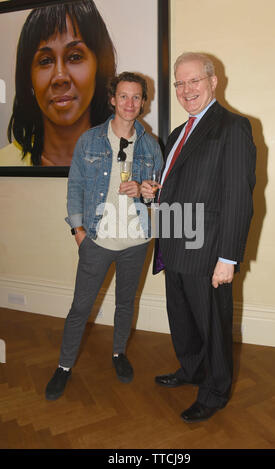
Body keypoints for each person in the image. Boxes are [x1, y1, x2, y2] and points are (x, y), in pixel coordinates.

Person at [141, 52, 256, 423]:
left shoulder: (233, 126)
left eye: (194, 81)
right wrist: (153, 191)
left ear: (213, 82)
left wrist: (228, 257)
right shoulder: (178, 132)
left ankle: (215, 391)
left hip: (208, 251)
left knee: (213, 326)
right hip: (173, 240)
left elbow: (239, 196)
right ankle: (191, 369)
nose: (186, 89)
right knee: (183, 318)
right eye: (179, 82)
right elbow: (181, 185)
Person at [45, 72, 163, 400]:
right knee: (81, 307)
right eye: (123, 96)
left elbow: (159, 194)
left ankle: (118, 353)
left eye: (136, 97)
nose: (129, 103)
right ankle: (64, 366)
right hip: (96, 239)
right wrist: (78, 230)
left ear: (143, 102)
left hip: (136, 241)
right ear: (112, 99)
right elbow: (76, 187)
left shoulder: (151, 145)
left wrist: (145, 191)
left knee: (126, 303)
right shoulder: (90, 140)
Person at [0, 0, 115, 166]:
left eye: (75, 56)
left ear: (99, 66)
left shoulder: (132, 159)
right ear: (28, 77)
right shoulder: (4, 163)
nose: (60, 77)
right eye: (45, 60)